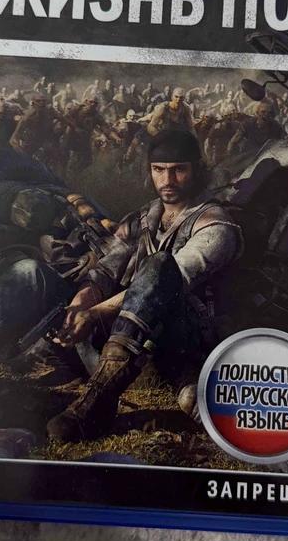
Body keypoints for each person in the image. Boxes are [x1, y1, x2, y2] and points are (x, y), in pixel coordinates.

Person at [45, 128, 243, 440]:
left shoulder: (216, 224)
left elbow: (171, 277)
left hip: (187, 339)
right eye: (158, 170)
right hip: (138, 343)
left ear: (196, 170)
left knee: (160, 265)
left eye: (178, 170)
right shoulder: (143, 219)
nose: (168, 180)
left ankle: (96, 401)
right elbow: (105, 271)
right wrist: (78, 308)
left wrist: (94, 314)